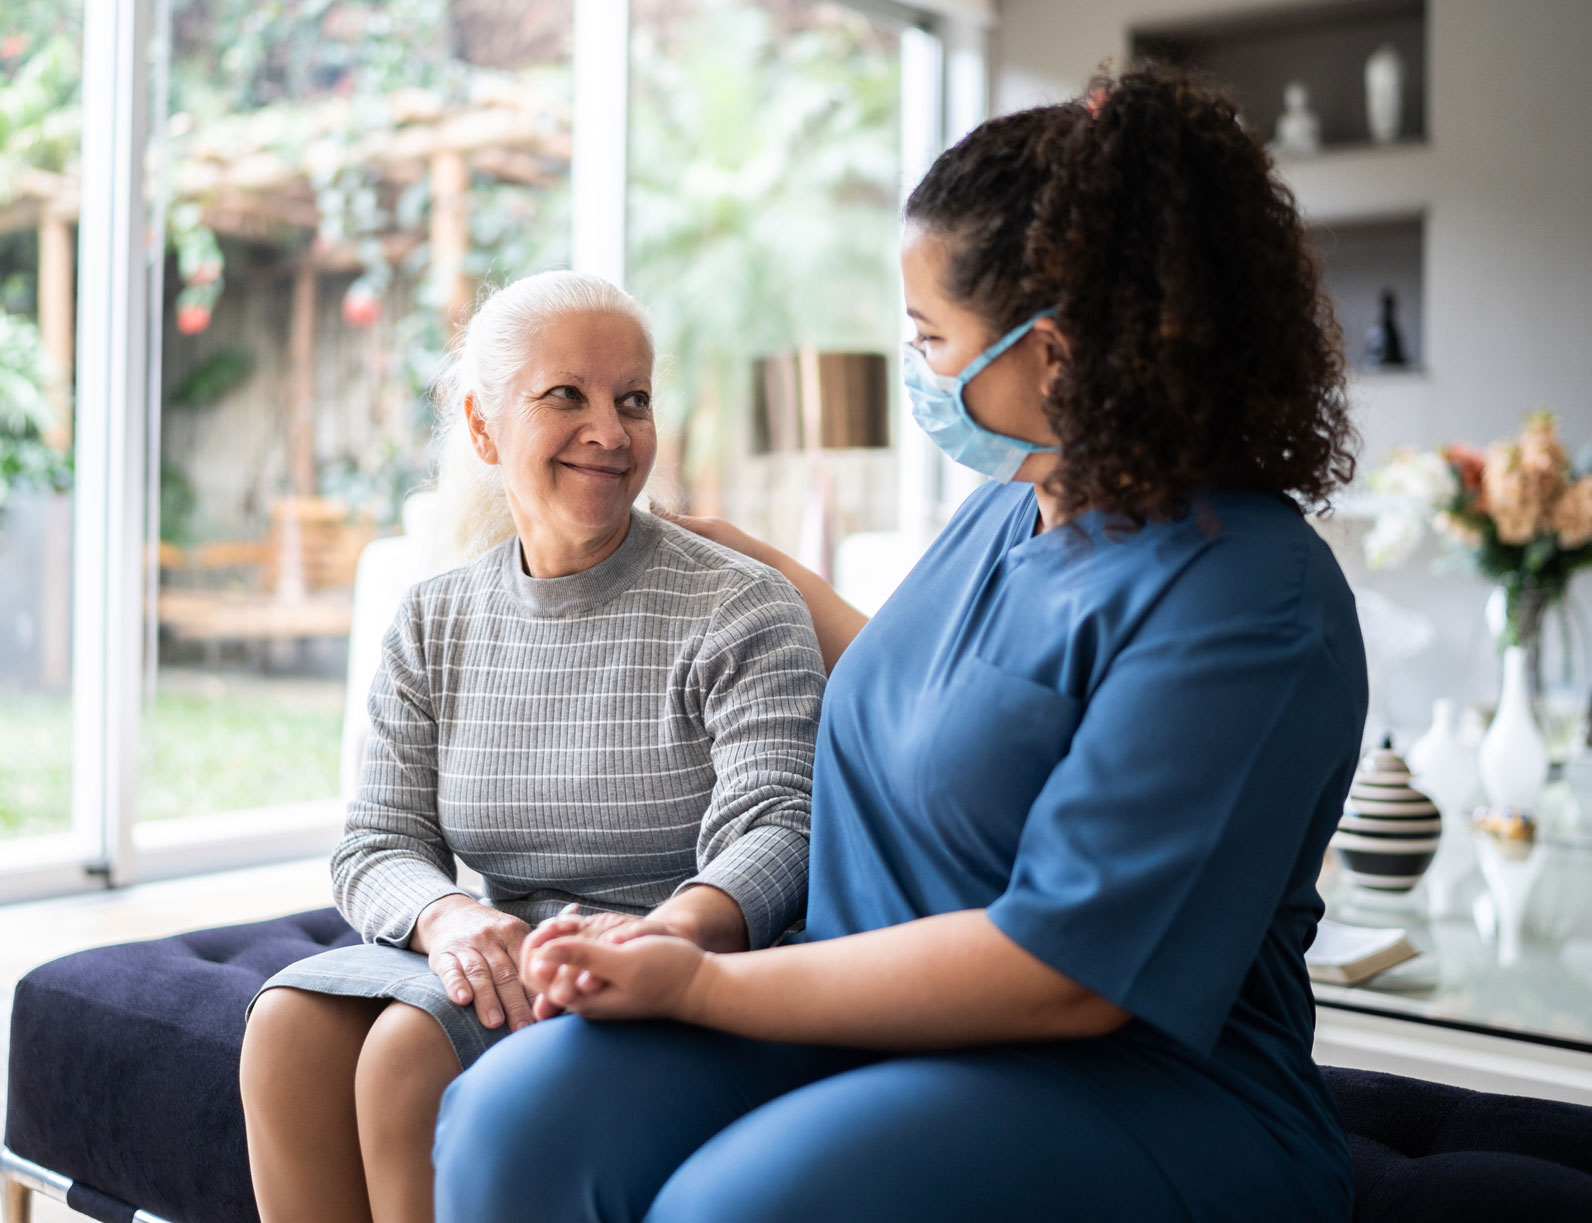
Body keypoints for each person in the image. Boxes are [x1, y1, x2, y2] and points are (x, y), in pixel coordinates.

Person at [433, 64, 1366, 1222]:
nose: (919, 368)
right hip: (862, 1003)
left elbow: (1063, 970)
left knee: (737, 1207)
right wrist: (760, 568)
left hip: (1123, 1073)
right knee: (513, 1117)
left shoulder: (1250, 600)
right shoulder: (1017, 501)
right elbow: (964, 708)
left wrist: (712, 981)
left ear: (1058, 356)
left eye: (930, 338)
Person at [238, 270, 827, 1223]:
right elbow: (376, 842)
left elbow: (782, 825)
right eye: (568, 396)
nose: (611, 430)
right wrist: (448, 919)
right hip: (503, 943)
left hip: (674, 957)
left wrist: (665, 935)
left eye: (632, 400)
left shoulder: (736, 603)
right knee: (285, 1026)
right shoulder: (436, 616)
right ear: (483, 429)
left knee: (403, 1052)